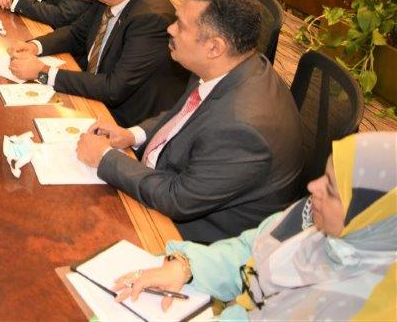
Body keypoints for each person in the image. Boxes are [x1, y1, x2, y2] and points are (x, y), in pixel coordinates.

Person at [75, 0, 303, 242]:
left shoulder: (242, 129)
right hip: (170, 180)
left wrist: (105, 158)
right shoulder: (225, 66)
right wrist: (132, 134)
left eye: (181, 26)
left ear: (214, 47)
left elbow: (177, 198)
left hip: (196, 236)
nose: (170, 29)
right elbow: (182, 114)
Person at [112, 132, 396, 321]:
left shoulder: (362, 307)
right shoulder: (317, 221)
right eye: (325, 175)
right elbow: (252, 248)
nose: (313, 187)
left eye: (332, 189)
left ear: (371, 219)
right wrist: (186, 267)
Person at [9, 0, 188, 125]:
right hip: (96, 88)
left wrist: (43, 72)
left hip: (122, 118)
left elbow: (114, 88)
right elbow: (77, 34)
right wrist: (35, 46)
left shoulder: (150, 20)